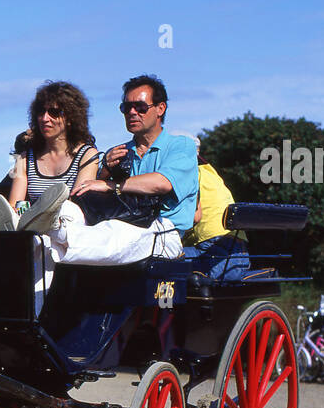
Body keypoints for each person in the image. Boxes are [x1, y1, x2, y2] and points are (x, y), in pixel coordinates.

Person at [30, 74, 195, 266]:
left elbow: (162, 183)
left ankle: (52, 227)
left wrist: (110, 184)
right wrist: (105, 169)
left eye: (140, 107)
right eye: (126, 108)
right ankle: (37, 230)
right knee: (47, 242)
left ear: (160, 108)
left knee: (116, 233)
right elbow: (91, 189)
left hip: (164, 232)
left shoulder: (182, 146)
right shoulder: (120, 152)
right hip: (121, 220)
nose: (132, 112)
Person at [0, 81, 99, 233]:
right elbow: (16, 204)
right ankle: (36, 219)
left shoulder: (87, 155)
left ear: (70, 117)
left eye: (54, 112)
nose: (45, 118)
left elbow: (77, 203)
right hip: (34, 234)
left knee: (68, 212)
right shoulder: (24, 159)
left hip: (68, 229)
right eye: (41, 112)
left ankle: (44, 217)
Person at [181, 140, 251, 281]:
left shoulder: (186, 174)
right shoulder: (210, 173)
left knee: (159, 259)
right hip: (237, 249)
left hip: (211, 249)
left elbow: (193, 217)